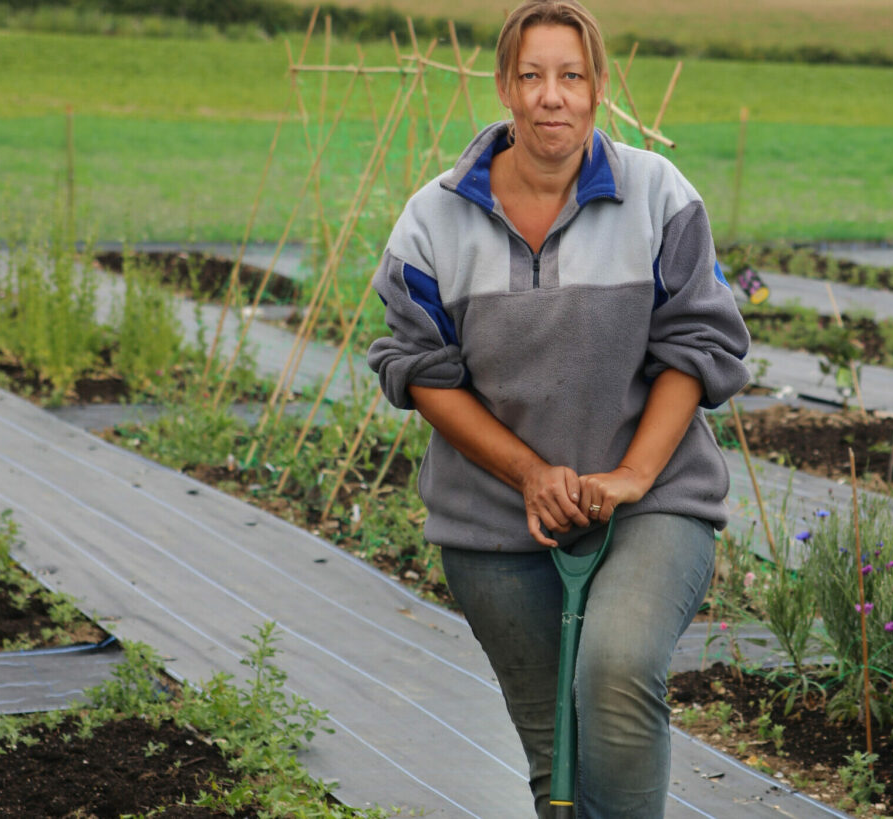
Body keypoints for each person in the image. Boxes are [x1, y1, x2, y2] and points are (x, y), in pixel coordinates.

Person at [368, 1, 750, 815]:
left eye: (571, 76)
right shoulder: (433, 219)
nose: (553, 96)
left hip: (651, 500)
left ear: (596, 87)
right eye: (534, 76)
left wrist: (630, 476)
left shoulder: (658, 196)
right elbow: (419, 368)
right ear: (505, 85)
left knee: (614, 671)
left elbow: (698, 343)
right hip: (495, 522)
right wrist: (532, 474)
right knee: (558, 756)